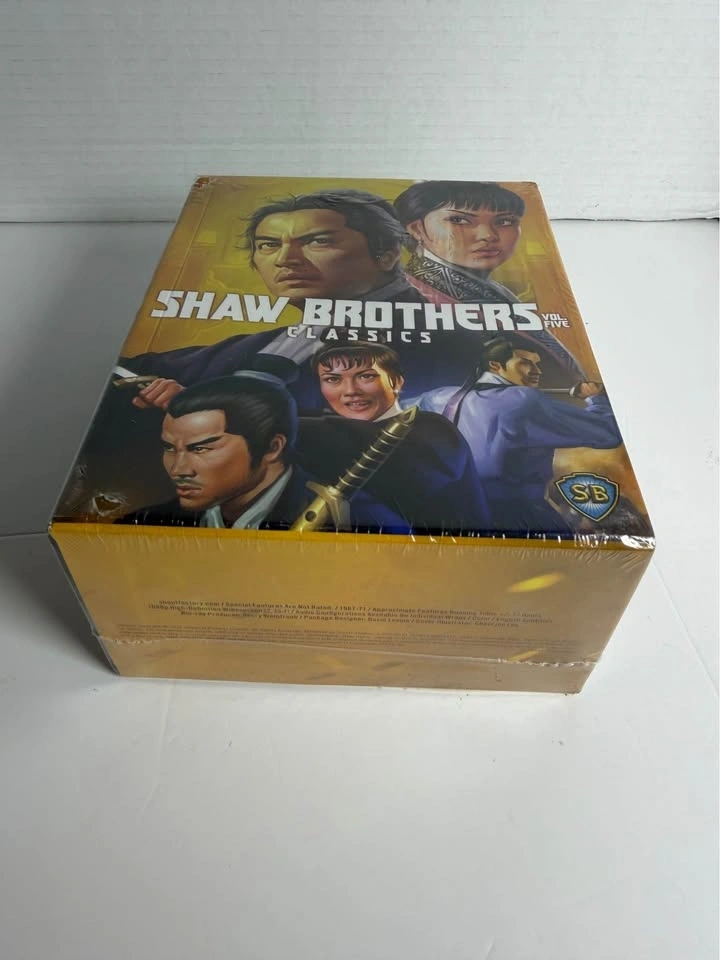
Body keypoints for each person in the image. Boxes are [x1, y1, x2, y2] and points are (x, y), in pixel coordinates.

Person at [124, 189, 426, 412]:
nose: (284, 259)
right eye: (268, 245)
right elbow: (132, 368)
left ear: (387, 255)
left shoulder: (432, 336)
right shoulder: (269, 342)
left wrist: (200, 407)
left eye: (318, 241)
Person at [117, 373, 409, 532]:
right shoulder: (144, 525)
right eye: (170, 448)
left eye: (201, 448)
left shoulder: (362, 523)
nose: (179, 469)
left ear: (272, 447)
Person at [406, 335, 623, 535]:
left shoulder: (437, 397)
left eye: (537, 364)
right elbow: (608, 433)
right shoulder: (524, 401)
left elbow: (393, 412)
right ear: (495, 365)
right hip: (519, 517)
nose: (537, 370)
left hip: (452, 515)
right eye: (525, 362)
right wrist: (597, 398)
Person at [393, 180, 584, 383]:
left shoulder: (497, 291)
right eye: (459, 220)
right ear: (417, 229)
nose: (489, 235)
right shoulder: (411, 296)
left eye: (504, 222)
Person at [301, 342, 495, 533]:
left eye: (366, 376)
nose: (350, 391)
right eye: (333, 379)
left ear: (396, 382)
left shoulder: (433, 429)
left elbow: (403, 478)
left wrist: (289, 424)